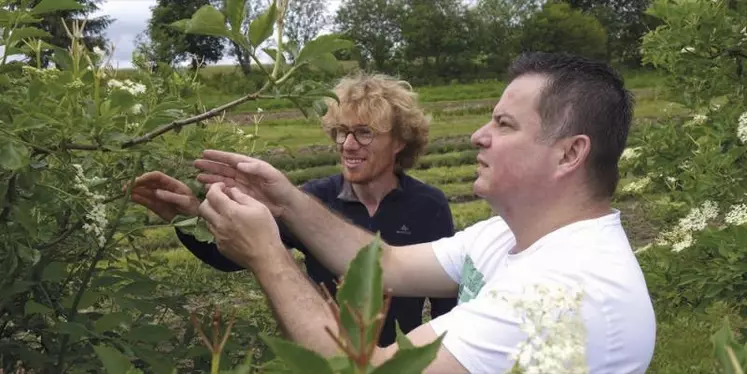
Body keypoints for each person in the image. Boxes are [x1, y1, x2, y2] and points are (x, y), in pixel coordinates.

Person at [189, 52, 657, 373]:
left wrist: (268, 256)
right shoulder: (503, 236)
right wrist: (286, 200)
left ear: (569, 154)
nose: (478, 135)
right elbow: (389, 266)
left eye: (504, 124)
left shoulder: (559, 293)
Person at [129, 73, 458, 346]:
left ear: (400, 141)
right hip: (326, 354)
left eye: (364, 133)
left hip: (400, 360)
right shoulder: (312, 200)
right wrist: (187, 216)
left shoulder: (428, 205)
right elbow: (229, 258)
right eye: (341, 132)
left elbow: (448, 303)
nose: (348, 144)